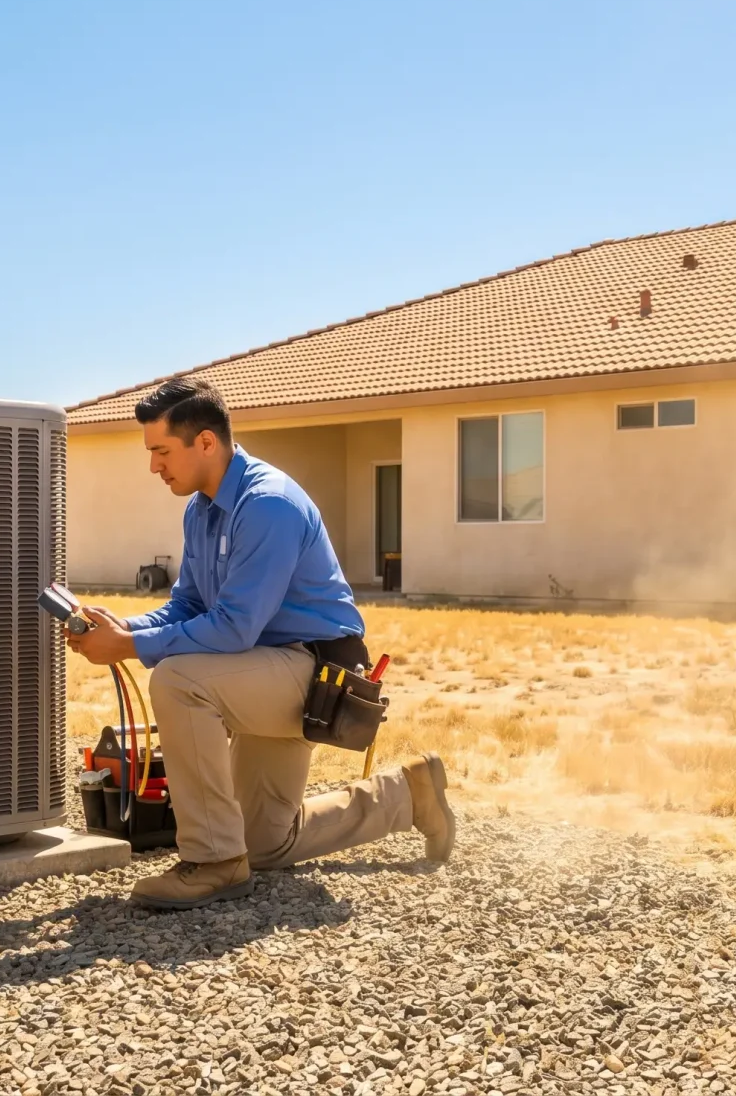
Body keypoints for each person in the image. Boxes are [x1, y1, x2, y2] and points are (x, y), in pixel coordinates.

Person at [65, 376, 455, 910]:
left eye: (161, 451)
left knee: (178, 681)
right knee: (266, 845)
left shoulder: (267, 505)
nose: (154, 466)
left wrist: (130, 649)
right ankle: (411, 794)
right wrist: (126, 629)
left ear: (205, 442)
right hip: (264, 670)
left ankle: (213, 862)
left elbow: (232, 627)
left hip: (316, 674)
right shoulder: (201, 509)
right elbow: (189, 607)